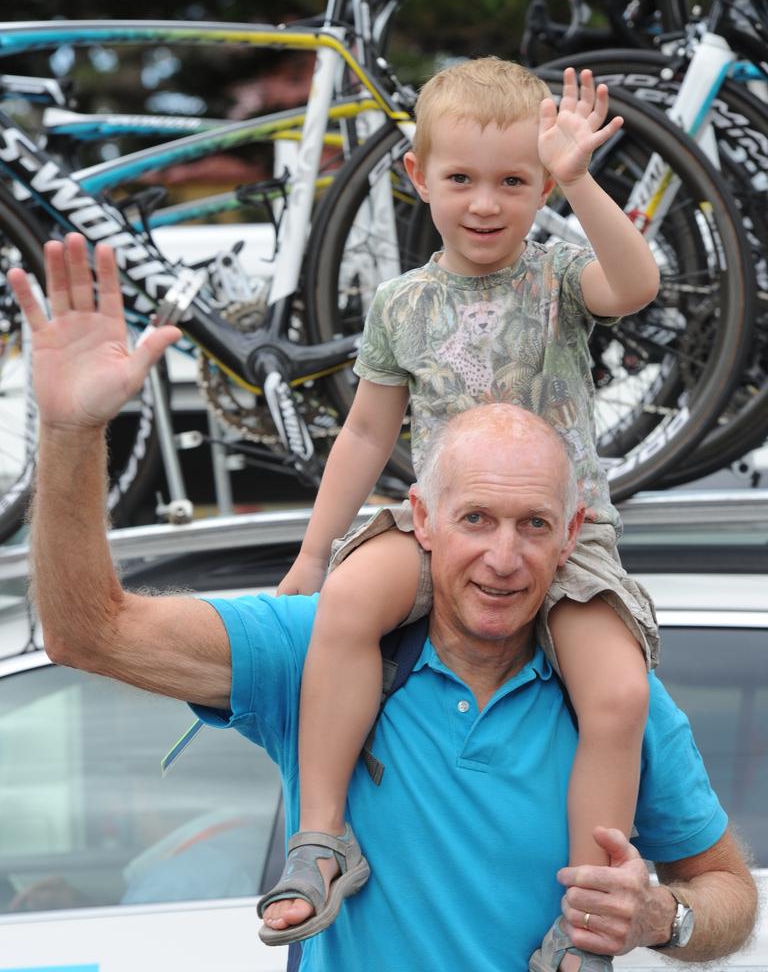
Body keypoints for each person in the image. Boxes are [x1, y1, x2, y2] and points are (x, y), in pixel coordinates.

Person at [9, 238, 758, 971]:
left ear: (569, 540)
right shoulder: (322, 648)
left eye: (533, 526)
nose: (503, 558)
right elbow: (89, 632)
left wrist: (664, 915)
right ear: (420, 521)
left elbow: (730, 892)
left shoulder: (615, 697)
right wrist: (74, 433)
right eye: (475, 521)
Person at [269, 58, 661, 969]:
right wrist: (313, 551)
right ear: (417, 177)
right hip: (441, 527)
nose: (486, 204)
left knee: (618, 691)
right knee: (346, 609)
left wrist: (579, 181)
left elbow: (635, 286)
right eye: (462, 180)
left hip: (566, 534)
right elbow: (368, 433)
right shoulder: (403, 303)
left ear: (539, 185)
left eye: (515, 182)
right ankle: (323, 836)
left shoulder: (559, 276)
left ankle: (591, 910)